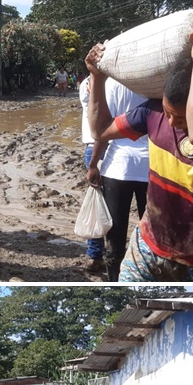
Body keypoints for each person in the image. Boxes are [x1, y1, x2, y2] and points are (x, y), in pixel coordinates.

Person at [87, 20, 193, 283]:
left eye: (180, 118)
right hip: (149, 243)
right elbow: (100, 130)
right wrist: (97, 76)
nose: (171, 123)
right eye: (168, 113)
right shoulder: (152, 112)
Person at [86, 76, 152, 282]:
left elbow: (103, 130)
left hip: (116, 167)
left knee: (114, 235)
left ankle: (114, 279)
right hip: (153, 166)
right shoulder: (156, 82)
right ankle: (149, 276)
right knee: (152, 233)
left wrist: (93, 164)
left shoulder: (110, 84)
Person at [77, 77, 106, 273]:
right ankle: (111, 254)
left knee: (98, 204)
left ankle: (95, 256)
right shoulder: (121, 82)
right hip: (114, 146)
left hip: (93, 147)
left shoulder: (88, 83)